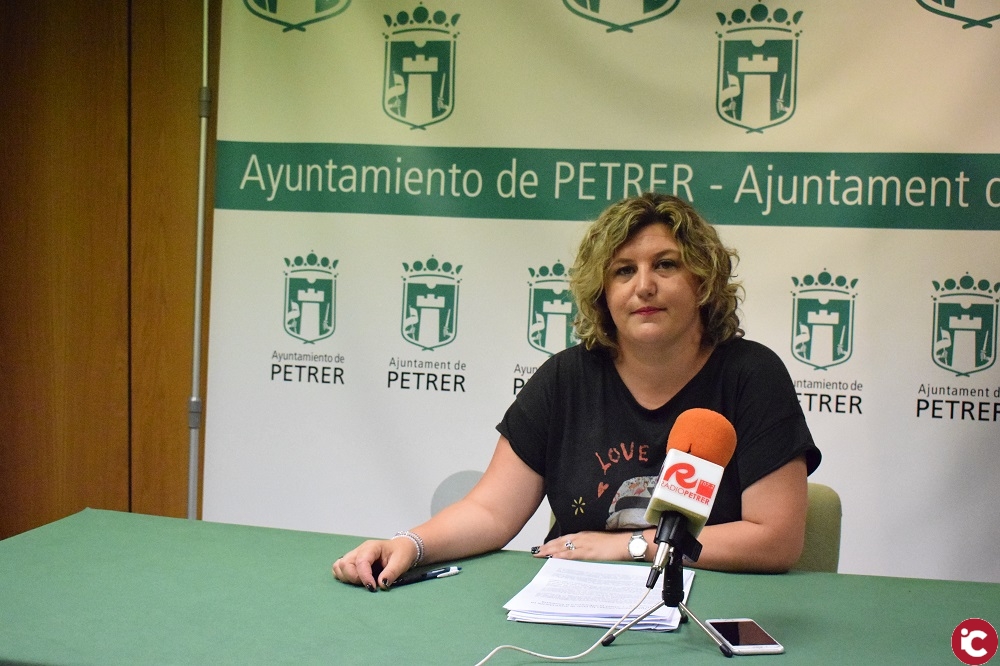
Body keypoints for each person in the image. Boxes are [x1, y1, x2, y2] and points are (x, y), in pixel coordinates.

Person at [333, 193, 821, 592]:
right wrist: (409, 544)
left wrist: (631, 547)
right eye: (623, 270)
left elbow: (775, 539)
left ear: (702, 282)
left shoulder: (751, 375)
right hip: (572, 604)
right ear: (602, 294)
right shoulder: (566, 378)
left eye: (666, 265)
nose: (644, 286)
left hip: (704, 601)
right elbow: (490, 510)